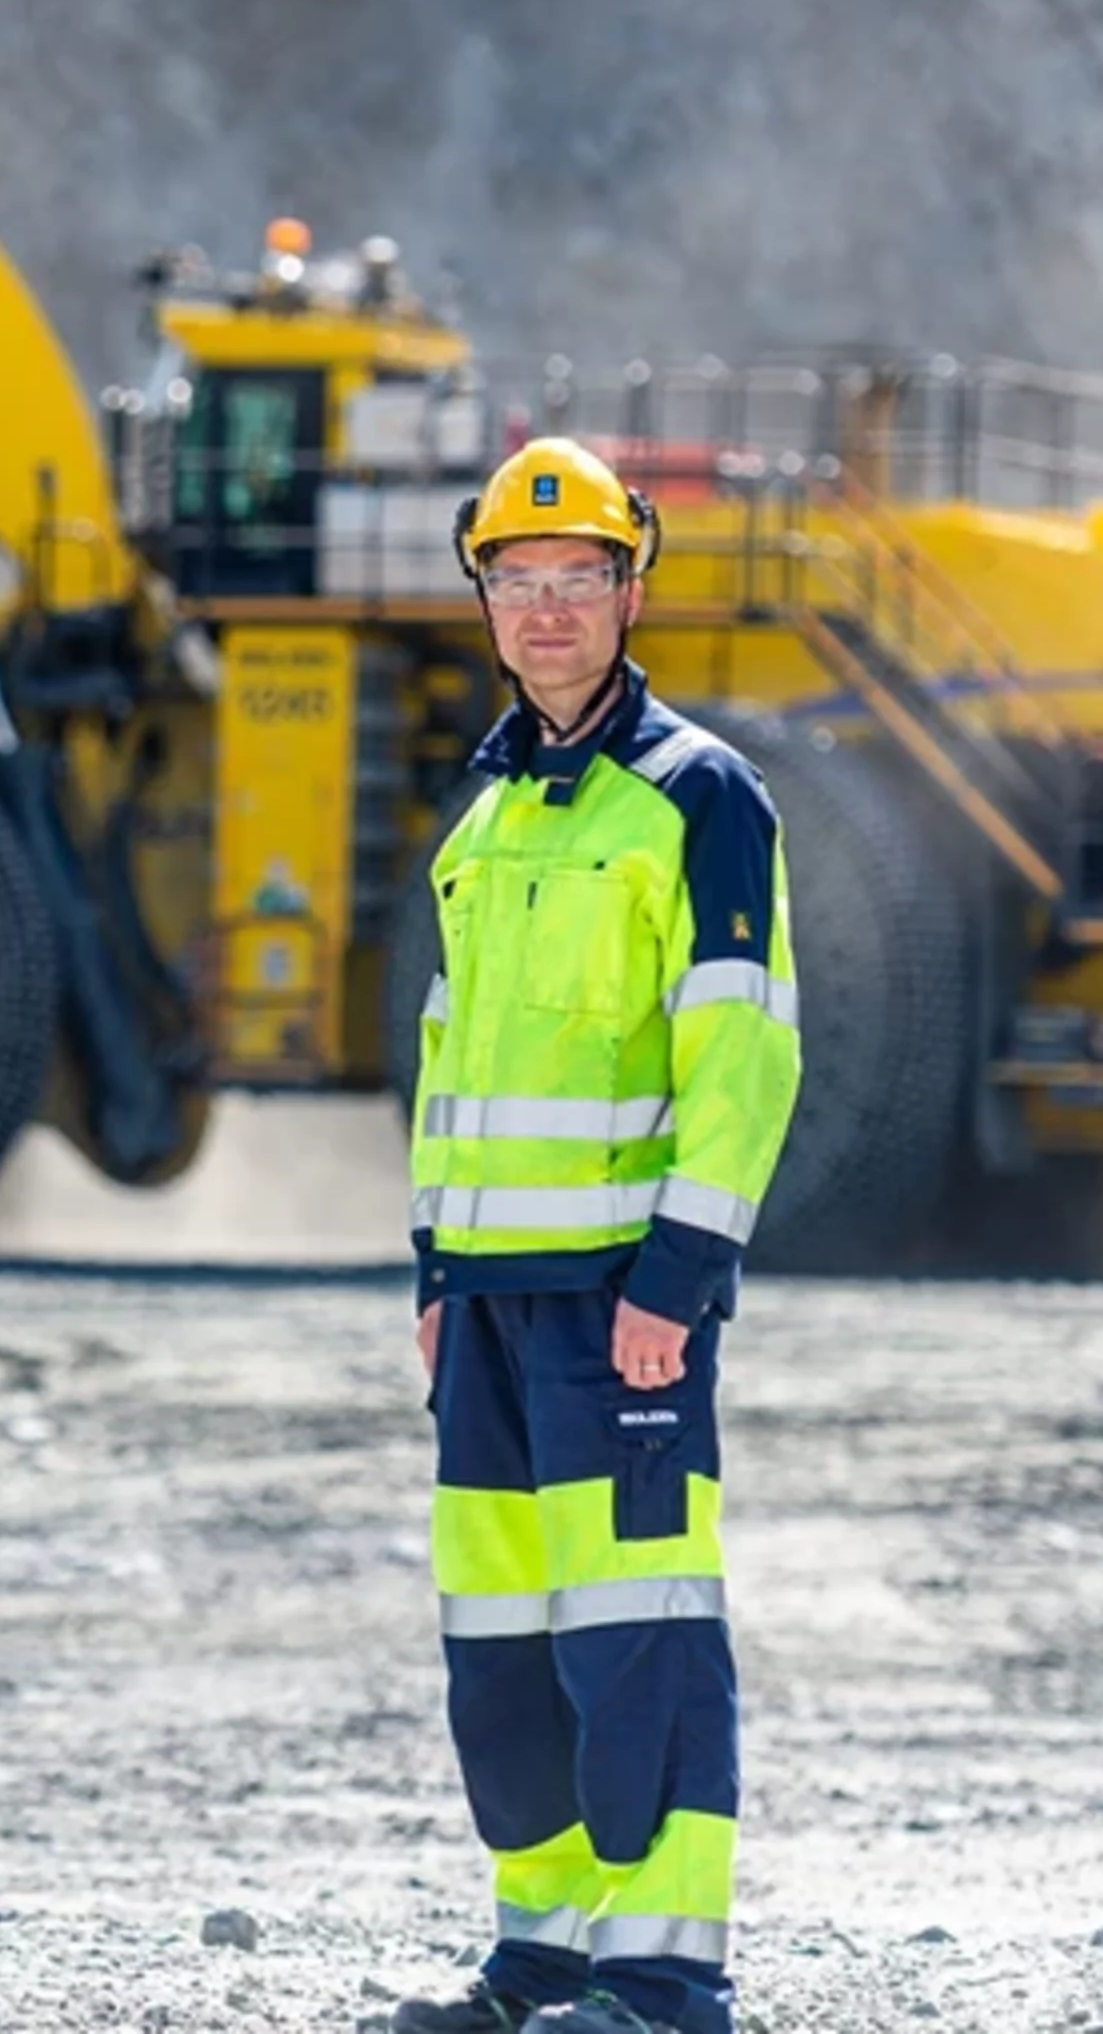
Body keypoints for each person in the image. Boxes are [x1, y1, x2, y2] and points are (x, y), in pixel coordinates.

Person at [387, 436, 802, 2034]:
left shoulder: (700, 798)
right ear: (482, 596)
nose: (546, 612)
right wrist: (436, 1273)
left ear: (632, 593)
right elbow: (451, 1054)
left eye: (577, 583)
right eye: (516, 581)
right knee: (502, 1654)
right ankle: (542, 1956)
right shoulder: (487, 812)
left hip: (618, 1308)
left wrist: (681, 1280)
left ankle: (662, 1975)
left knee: (640, 1642)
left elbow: (744, 1052)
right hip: (486, 1315)